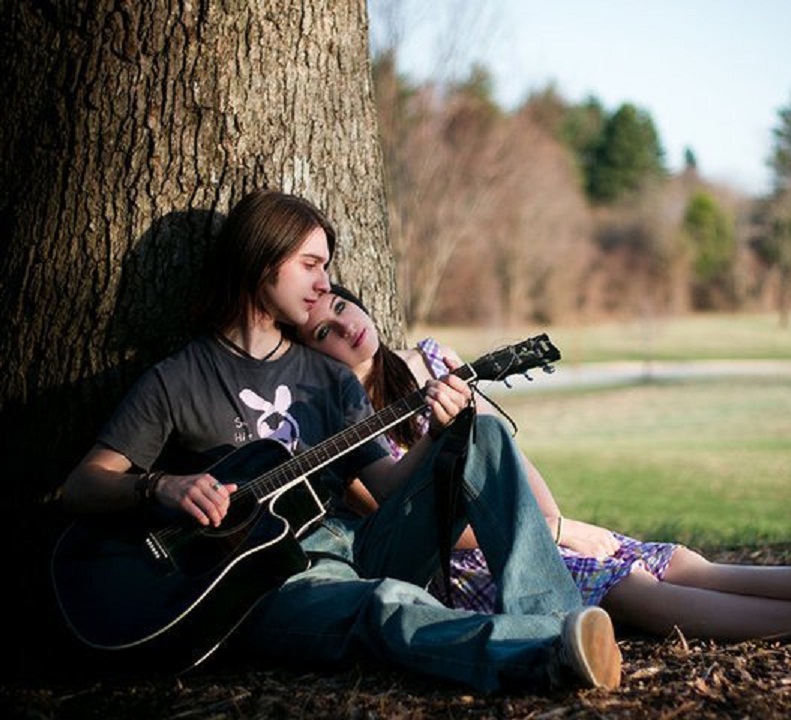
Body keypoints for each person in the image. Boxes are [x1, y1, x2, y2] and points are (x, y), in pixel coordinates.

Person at [58, 189, 624, 692]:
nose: (325, 282)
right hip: (269, 582)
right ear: (261, 260)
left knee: (486, 434)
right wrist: (163, 486)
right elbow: (83, 486)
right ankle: (542, 656)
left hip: (358, 543)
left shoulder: (326, 377)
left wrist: (439, 435)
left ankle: (558, 624)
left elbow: (388, 486)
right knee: (383, 602)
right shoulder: (179, 379)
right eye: (310, 265)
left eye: (325, 267)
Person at [296, 285, 791, 649]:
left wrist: (554, 519)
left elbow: (500, 451)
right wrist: (552, 532)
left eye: (342, 309)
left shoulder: (433, 358)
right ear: (314, 356)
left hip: (531, 523)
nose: (343, 328)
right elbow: (415, 523)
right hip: (466, 562)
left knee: (672, 559)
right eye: (322, 332)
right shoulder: (343, 427)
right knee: (627, 588)